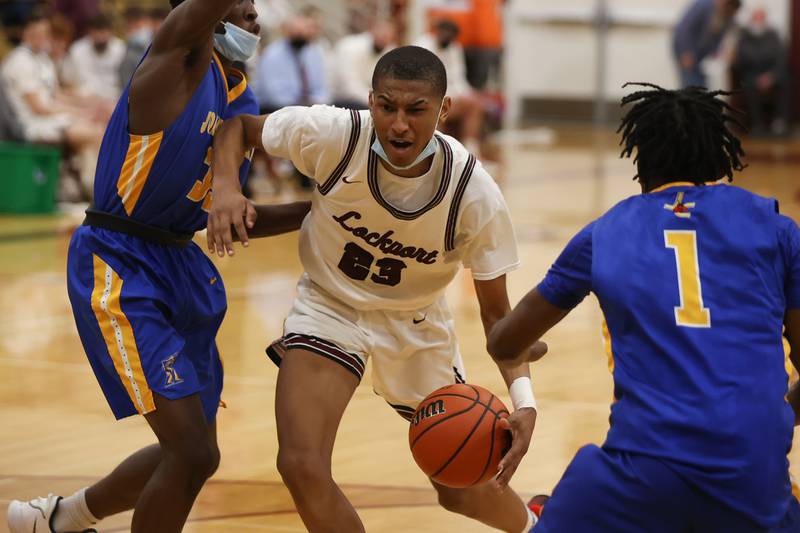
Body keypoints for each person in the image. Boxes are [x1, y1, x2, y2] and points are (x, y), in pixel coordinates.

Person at [208, 45, 546, 533]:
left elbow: (498, 317)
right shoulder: (333, 134)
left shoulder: (473, 193)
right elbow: (238, 127)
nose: (399, 125)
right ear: (370, 102)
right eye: (386, 107)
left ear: (444, 109)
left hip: (416, 323)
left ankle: (535, 524)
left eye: (416, 110)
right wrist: (227, 188)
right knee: (300, 465)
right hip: (331, 307)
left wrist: (525, 402)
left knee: (460, 487)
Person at [6, 1, 309, 532]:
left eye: (256, 9)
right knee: (189, 450)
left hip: (180, 262)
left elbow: (233, 218)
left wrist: (326, 214)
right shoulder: (172, 64)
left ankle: (58, 519)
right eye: (240, 8)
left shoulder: (237, 95)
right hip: (122, 261)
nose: (255, 18)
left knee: (199, 453)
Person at [487, 83, 800, 532]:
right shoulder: (778, 229)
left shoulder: (605, 232)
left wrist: (522, 346)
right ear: (719, 159)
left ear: (640, 162)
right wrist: (762, 418)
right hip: (754, 472)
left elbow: (503, 341)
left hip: (639, 473)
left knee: (550, 514)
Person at [0, 11, 105, 197]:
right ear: (26, 33)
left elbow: (56, 95)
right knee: (95, 133)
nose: (41, 38)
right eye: (36, 33)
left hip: (51, 118)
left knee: (98, 124)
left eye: (44, 33)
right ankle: (96, 191)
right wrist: (79, 114)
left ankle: (85, 187)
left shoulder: (43, 59)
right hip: (31, 124)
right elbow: (39, 107)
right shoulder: (19, 62)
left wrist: (85, 106)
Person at [417, 18, 485, 156]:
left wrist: (469, 95)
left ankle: (470, 151)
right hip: (426, 97)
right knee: (437, 110)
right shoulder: (423, 46)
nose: (446, 36)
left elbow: (459, 79)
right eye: (444, 32)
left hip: (450, 97)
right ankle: (438, 153)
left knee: (475, 105)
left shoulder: (455, 48)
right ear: (437, 32)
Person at [732, 7, 791, 136]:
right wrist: (761, 77)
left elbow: (781, 57)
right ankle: (757, 124)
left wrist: (771, 76)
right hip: (752, 74)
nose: (759, 20)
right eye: (756, 17)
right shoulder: (744, 36)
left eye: (761, 17)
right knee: (749, 85)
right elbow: (743, 58)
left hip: (772, 74)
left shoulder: (773, 35)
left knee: (785, 81)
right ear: (752, 19)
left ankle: (780, 122)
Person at [254, 13, 329, 114]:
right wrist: (301, 108)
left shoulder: (314, 54)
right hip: (274, 110)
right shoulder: (272, 54)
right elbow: (274, 96)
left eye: (303, 30)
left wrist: (314, 104)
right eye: (296, 30)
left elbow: (322, 90)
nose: (300, 34)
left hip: (306, 109)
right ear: (286, 31)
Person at [673, 0, 741, 88]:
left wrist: (715, 53)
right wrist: (685, 52)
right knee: (690, 85)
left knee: (701, 86)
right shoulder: (703, 5)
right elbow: (684, 29)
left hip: (702, 57)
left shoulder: (729, 16)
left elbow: (717, 36)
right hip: (686, 50)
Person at [331, 20, 396, 110]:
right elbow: (350, 88)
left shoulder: (388, 51)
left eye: (387, 37)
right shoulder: (350, 47)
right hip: (340, 100)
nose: (383, 39)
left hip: (369, 98)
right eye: (381, 34)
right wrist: (378, 100)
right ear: (372, 31)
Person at [63, 13, 125, 101]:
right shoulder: (77, 50)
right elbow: (68, 83)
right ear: (90, 32)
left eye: (103, 33)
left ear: (111, 32)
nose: (100, 38)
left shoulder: (121, 49)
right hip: (83, 101)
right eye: (97, 33)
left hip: (115, 100)